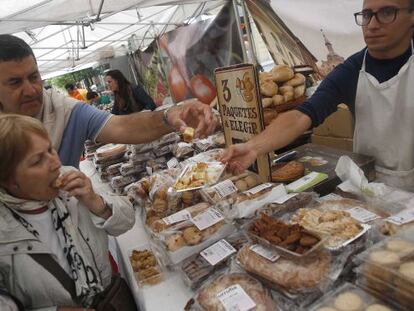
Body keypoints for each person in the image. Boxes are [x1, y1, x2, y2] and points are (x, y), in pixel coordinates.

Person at [221, 0, 414, 191]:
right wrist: (253, 147)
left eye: (387, 13)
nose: (372, 24)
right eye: (366, 15)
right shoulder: (351, 71)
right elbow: (301, 116)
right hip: (372, 184)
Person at [0, 34, 216, 168]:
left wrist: (169, 115)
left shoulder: (63, 109)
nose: (30, 89)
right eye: (14, 82)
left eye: (34, 77)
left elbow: (122, 126)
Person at [0, 114, 136, 310]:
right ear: (8, 180)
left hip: (111, 301)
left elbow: (127, 221)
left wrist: (97, 203)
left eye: (50, 150)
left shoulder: (71, 182)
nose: (55, 163)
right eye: (38, 161)